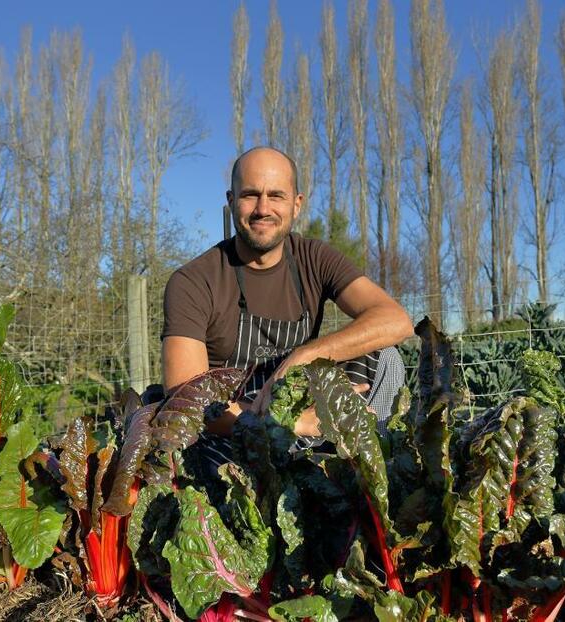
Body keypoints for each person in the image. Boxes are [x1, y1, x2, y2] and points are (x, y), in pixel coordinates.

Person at [160, 146, 412, 458]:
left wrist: (307, 354)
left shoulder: (314, 258)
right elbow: (186, 399)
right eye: (250, 194)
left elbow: (396, 320)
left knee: (385, 358)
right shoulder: (194, 280)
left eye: (276, 196)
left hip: (298, 399)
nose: (262, 208)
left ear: (296, 205)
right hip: (234, 424)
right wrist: (282, 420)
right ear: (231, 201)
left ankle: (368, 463)